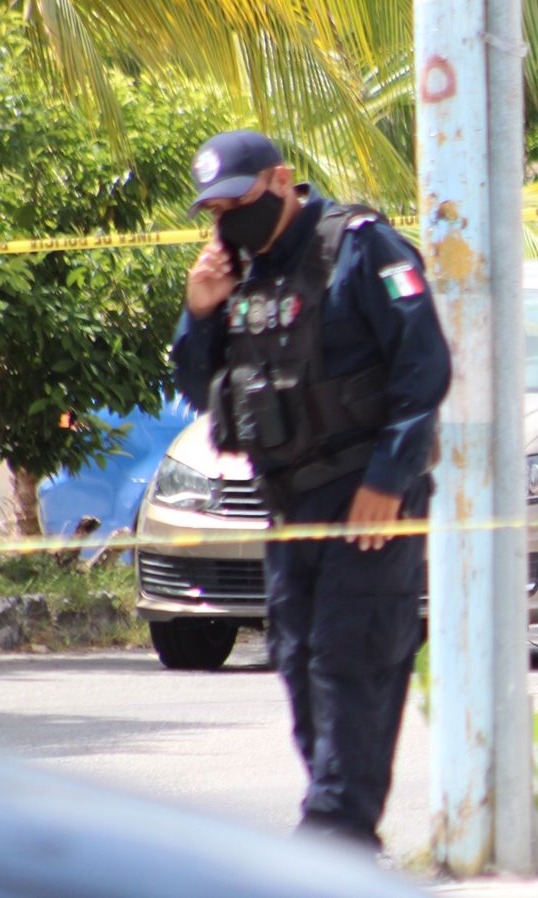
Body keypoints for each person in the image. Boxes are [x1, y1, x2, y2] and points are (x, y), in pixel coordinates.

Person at [171, 129, 450, 851]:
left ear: (280, 181)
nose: (224, 221)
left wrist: (390, 481)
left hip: (365, 495)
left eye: (237, 202)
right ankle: (338, 815)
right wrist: (201, 313)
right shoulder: (239, 270)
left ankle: (337, 828)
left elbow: (424, 368)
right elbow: (203, 389)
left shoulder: (361, 247)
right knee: (294, 660)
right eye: (214, 210)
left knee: (350, 655)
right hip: (288, 503)